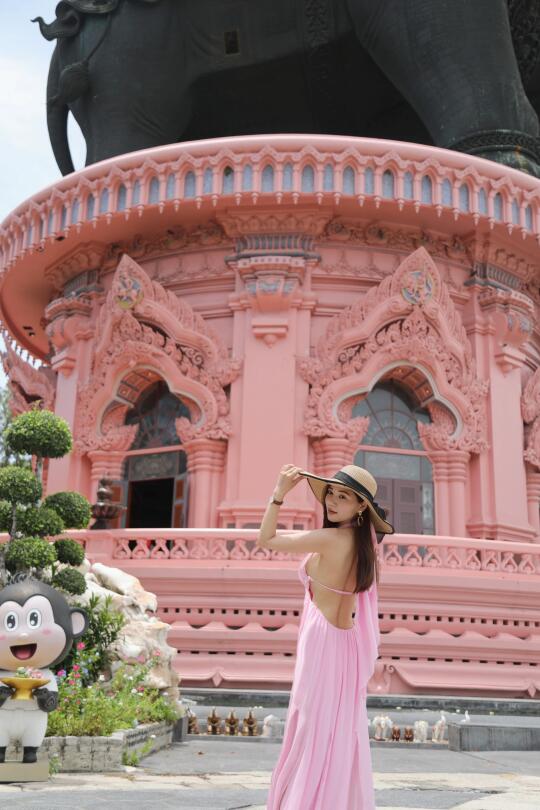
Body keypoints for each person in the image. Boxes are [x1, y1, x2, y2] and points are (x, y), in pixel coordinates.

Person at [259, 463, 394, 810]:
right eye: (331, 493)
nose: (332, 501)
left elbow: (266, 539)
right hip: (347, 643)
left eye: (344, 496)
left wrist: (278, 494)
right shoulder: (365, 547)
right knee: (337, 728)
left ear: (361, 505)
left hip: (321, 640)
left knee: (311, 724)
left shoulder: (331, 539)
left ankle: (304, 801)